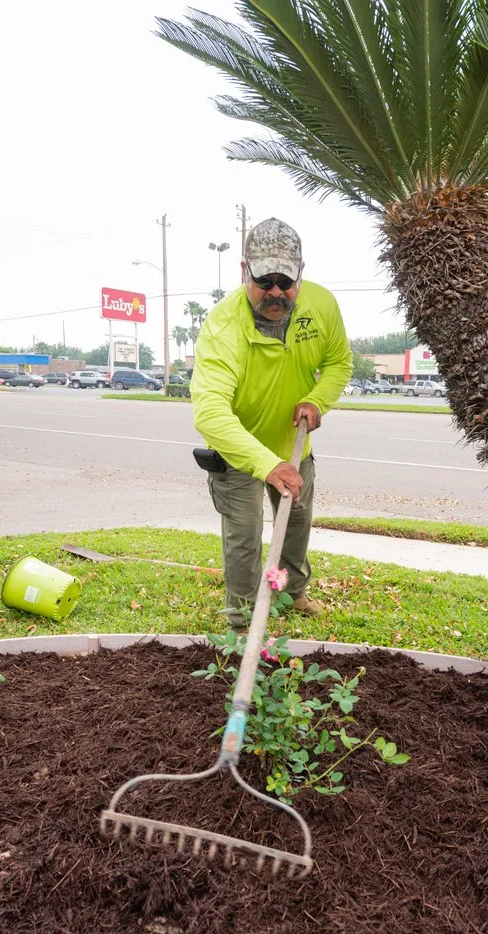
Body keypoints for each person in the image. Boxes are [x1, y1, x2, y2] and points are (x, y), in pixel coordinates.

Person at [191, 217, 353, 630]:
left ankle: (291, 591)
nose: (277, 292)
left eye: (287, 281)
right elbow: (210, 413)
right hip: (239, 454)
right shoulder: (223, 328)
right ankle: (243, 617)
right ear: (245, 271)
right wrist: (266, 464)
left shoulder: (322, 306)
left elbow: (338, 363)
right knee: (245, 535)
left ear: (302, 273)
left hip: (293, 448)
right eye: (266, 281)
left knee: (295, 527)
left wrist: (317, 401)